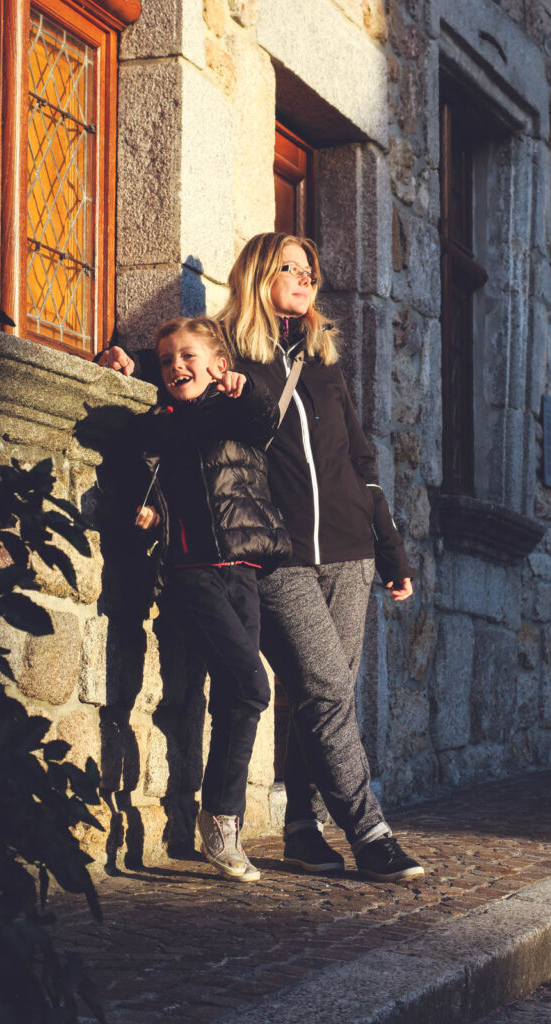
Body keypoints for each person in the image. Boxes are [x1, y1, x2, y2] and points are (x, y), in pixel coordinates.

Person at [99, 234, 424, 882]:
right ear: (256, 274)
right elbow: (180, 358)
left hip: (350, 549)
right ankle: (370, 832)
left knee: (322, 695)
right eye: (289, 267)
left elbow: (361, 462)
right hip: (281, 555)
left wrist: (390, 549)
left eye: (310, 270)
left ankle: (302, 826)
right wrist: (127, 359)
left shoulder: (322, 359)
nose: (304, 278)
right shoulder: (230, 348)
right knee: (327, 687)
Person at [133, 315, 291, 882]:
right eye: (167, 359)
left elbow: (264, 415)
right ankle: (223, 818)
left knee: (236, 696)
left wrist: (245, 386)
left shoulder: (232, 412)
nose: (177, 366)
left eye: (188, 356)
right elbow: (161, 481)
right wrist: (154, 514)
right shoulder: (165, 424)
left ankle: (219, 820)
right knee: (252, 684)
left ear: (218, 365)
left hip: (241, 571)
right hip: (191, 573)